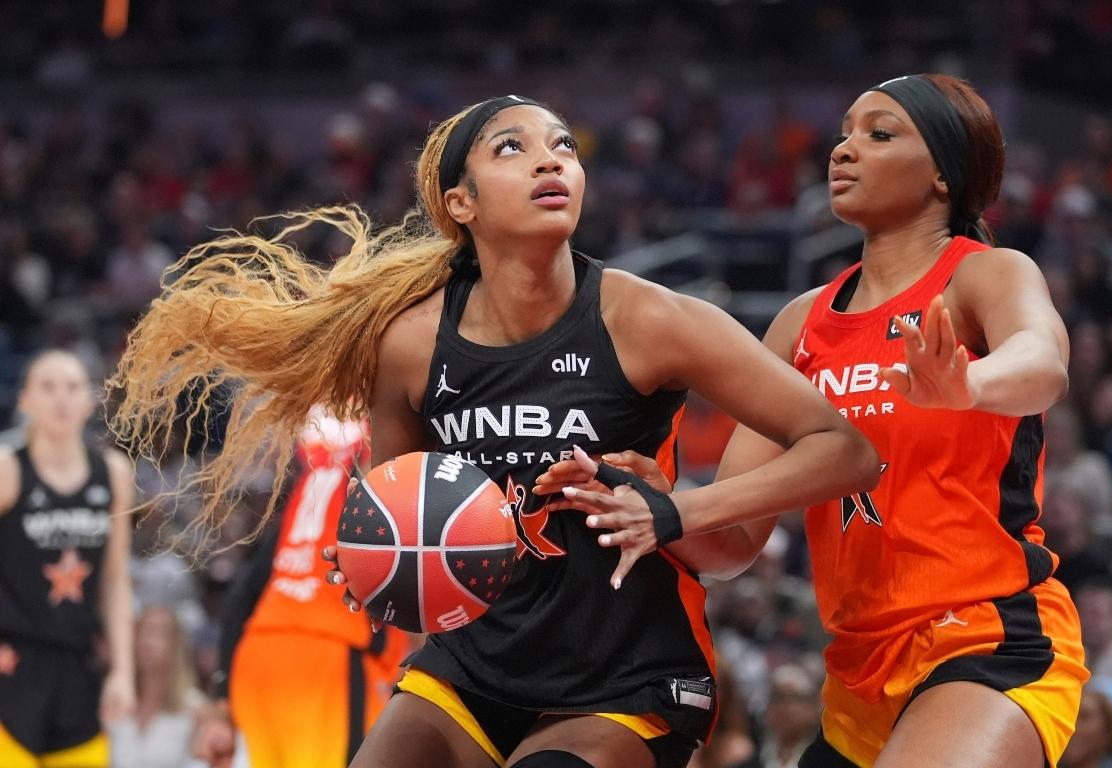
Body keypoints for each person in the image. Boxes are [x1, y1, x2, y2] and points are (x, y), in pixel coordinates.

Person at [106, 95, 880, 768]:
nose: (552, 162)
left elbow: (845, 450)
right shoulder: (409, 344)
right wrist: (375, 561)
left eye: (564, 148)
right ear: (461, 203)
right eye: (514, 148)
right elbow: (396, 504)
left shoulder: (648, 319)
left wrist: (671, 509)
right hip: (470, 673)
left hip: (621, 678)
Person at [551, 74, 1090, 767]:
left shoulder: (983, 275)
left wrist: (968, 385)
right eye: (844, 133)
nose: (844, 150)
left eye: (879, 134)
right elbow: (736, 544)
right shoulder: (800, 322)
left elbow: (1044, 361)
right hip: (856, 674)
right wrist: (658, 511)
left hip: (984, 634)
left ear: (943, 178)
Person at [190, 409, 409, 767]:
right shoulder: (378, 496)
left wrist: (222, 697)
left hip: (257, 659)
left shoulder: (307, 487)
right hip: (328, 660)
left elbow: (241, 595)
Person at [0, 349, 136, 767]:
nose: (61, 398)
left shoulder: (113, 473)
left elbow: (115, 580)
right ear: (25, 401)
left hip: (78, 661)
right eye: (47, 386)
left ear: (89, 401)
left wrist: (124, 671)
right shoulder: (8, 470)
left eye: (72, 387)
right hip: (14, 662)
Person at [107, 605, 206, 768]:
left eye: (160, 633)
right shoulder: (113, 701)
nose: (148, 641)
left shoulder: (195, 708)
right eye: (142, 631)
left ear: (176, 644)